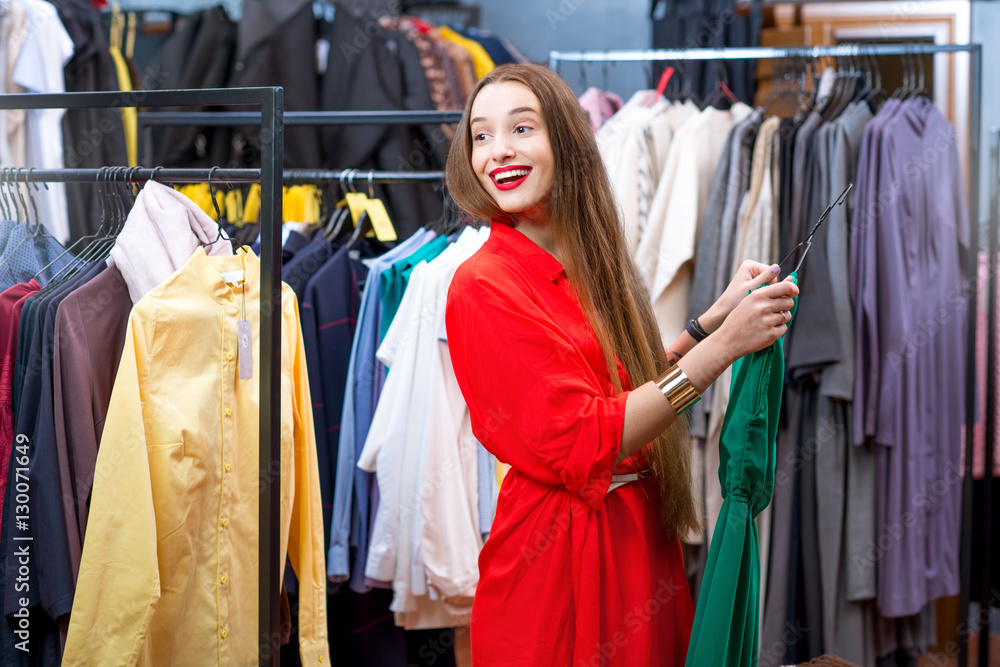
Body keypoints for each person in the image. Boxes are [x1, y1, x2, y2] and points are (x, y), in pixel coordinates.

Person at [443, 63, 798, 667]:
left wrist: (704, 326)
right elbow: (582, 435)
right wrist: (720, 352)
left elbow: (610, 389)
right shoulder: (483, 284)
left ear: (566, 140)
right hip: (560, 563)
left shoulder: (588, 261)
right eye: (481, 135)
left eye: (521, 128)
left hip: (632, 540)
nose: (497, 151)